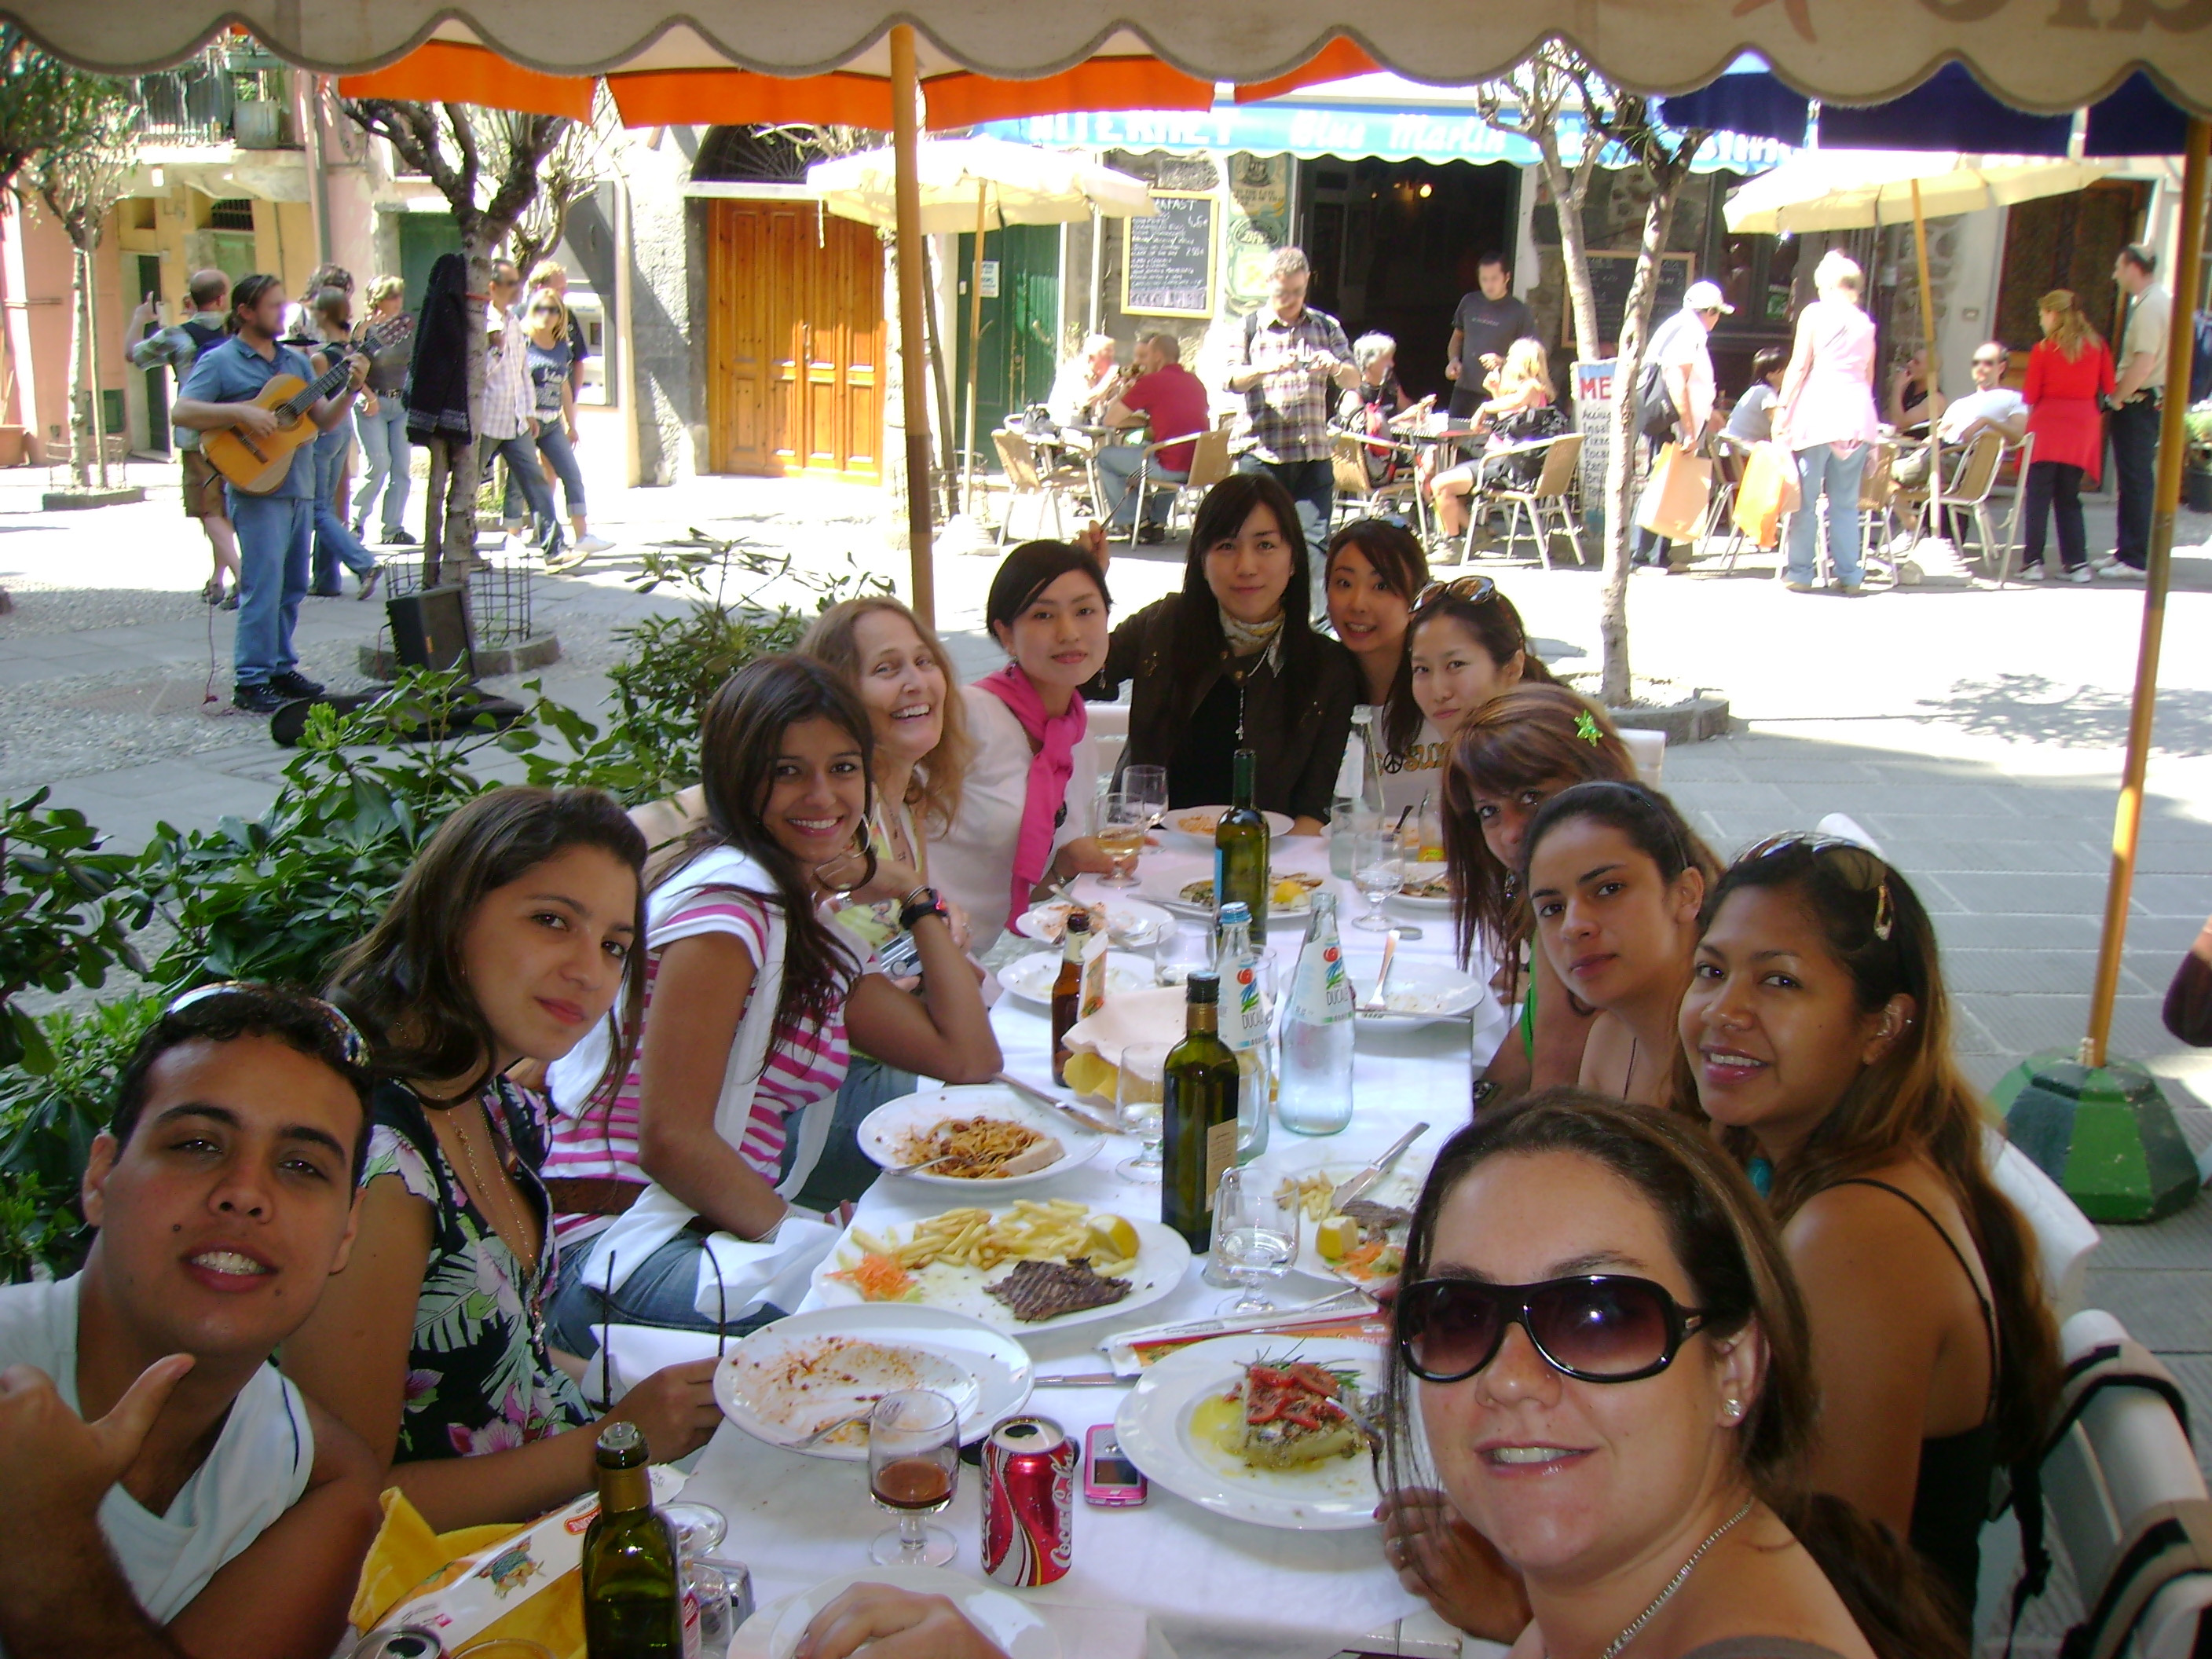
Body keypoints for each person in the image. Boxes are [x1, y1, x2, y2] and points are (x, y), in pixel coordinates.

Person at [804, 1093, 1965, 1659]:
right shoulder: (1637, 1592)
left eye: (1600, 1314)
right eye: (1455, 1314)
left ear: (1736, 1365)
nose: (1510, 1377)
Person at [288, 788, 726, 1530]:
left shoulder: (498, 1107)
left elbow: (505, 1363)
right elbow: (345, 1506)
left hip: (570, 1500)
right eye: (552, 921)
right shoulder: (379, 1166)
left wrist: (647, 1394)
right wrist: (617, 1441)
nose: (589, 972)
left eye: (614, 946)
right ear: (454, 913)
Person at [540, 660, 1001, 1350]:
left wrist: (912, 896)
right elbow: (672, 1141)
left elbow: (967, 1061)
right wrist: (817, 1240)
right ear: (735, 778)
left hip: (706, 1223)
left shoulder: (802, 920)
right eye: (787, 772)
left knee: (977, 1181)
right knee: (919, 1326)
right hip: (622, 1242)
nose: (822, 795)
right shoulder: (730, 914)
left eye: (843, 768)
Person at [1675, 834, 2061, 1622]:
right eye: (1710, 971)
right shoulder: (1781, 1154)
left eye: (1778, 982)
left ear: (1880, 1028)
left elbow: (1832, 1593)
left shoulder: (1854, 1237)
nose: (1722, 1011)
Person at [0, 983, 383, 1659]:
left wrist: (50, 1546)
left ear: (346, 1235)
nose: (244, 1192)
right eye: (198, 1143)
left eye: (301, 1165)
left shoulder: (314, 1479)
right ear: (100, 1178)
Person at [1091, 471, 1358, 833]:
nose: (1246, 567)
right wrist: (1085, 591)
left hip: (1267, 863)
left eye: (1265, 545)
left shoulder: (1328, 667)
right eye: (1226, 546)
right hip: (1150, 853)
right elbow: (1082, 677)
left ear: (1294, 558)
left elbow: (1313, 807)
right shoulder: (1164, 625)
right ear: (1202, 560)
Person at [174, 274, 368, 715]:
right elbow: (182, 411)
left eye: (284, 306)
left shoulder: (296, 364)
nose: (283, 314)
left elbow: (322, 421)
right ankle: (251, 678)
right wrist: (240, 411)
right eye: (273, 307)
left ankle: (280, 667)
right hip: (256, 488)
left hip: (298, 485)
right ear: (244, 311)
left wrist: (352, 389)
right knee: (263, 585)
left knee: (294, 585)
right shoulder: (221, 360)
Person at [1440, 687, 1638, 1103]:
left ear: (1594, 781)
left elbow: (1551, 1091)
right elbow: (1519, 1054)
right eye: (1488, 811)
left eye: (1531, 798)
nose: (1510, 833)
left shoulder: (1594, 927)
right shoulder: (1556, 909)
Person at [936, 540, 1122, 942]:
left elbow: (1021, 885)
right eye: (1043, 615)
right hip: (902, 956)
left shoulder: (1077, 743)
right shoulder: (965, 718)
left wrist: (1068, 863)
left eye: (1085, 611)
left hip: (967, 957)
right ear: (1006, 635)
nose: (1069, 633)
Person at [1522, 779, 1716, 1106]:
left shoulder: (1733, 1052)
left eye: (1608, 889)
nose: (1573, 927)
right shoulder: (1607, 1042)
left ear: (1686, 894)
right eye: (1553, 908)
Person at [1224, 247, 1361, 545]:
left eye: (1297, 292)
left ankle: (1309, 593)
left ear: (1307, 283)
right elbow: (1231, 379)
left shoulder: (1325, 326)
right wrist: (1265, 368)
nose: (1290, 301)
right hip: (1263, 454)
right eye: (1282, 293)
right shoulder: (1248, 328)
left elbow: (1354, 378)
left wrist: (1336, 366)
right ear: (1268, 284)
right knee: (1260, 542)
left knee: (1313, 544)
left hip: (1313, 454)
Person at [128, 269, 241, 610]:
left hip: (196, 436)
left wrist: (139, 319)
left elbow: (133, 354)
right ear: (223, 298)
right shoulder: (238, 331)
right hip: (237, 432)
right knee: (225, 508)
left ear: (192, 299)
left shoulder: (177, 335)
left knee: (208, 510)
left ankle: (242, 576)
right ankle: (217, 579)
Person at [1774, 251, 1879, 595]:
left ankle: (1802, 572)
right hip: (1857, 416)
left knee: (1806, 499)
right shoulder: (1866, 324)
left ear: (1827, 284)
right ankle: (1850, 574)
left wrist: (1783, 410)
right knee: (1845, 503)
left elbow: (1800, 365)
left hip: (1819, 411)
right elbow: (1868, 375)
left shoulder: (1815, 314)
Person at [2018, 288, 2115, 585]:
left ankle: (2033, 561)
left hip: (2048, 427)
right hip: (2081, 427)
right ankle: (2077, 563)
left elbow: (2031, 394)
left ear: (2054, 314)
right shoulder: (2098, 346)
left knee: (2038, 497)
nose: (2041, 319)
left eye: (2042, 313)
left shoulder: (2044, 349)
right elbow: (2109, 386)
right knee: (2069, 497)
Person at [1428, 338, 1566, 541]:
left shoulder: (1531, 387)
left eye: (1510, 357)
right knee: (1449, 473)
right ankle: (1476, 531)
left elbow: (1513, 404)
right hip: (1504, 462)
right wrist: (1494, 391)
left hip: (1508, 467)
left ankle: (1454, 541)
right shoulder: (1536, 389)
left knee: (1440, 484)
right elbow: (1507, 419)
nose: (1507, 361)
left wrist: (1484, 408)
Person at [294, 287, 383, 602]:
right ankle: (327, 578)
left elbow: (314, 398)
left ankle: (363, 563)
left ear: (321, 316)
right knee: (328, 505)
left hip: (325, 431)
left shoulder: (320, 358)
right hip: (343, 430)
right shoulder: (349, 351)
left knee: (317, 508)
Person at [1634, 280, 1730, 571]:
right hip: (1672, 421)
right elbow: (1676, 379)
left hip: (1669, 418)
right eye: (1717, 313)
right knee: (1662, 483)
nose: (1718, 320)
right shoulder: (1691, 331)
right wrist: (1689, 427)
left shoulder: (1676, 325)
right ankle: (1644, 556)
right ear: (1709, 311)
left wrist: (1707, 411)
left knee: (1665, 481)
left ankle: (1655, 555)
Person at [478, 260, 563, 562]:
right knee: (469, 483)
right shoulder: (483, 322)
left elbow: (522, 371)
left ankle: (554, 548)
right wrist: (495, 349)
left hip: (515, 421)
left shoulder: (513, 321)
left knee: (536, 482)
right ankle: (458, 548)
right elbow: (478, 374)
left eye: (518, 282)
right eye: (512, 283)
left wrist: (529, 411)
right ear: (493, 287)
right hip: (487, 419)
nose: (518, 288)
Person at [523, 287, 612, 571]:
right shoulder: (523, 343)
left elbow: (563, 385)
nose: (546, 316)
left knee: (571, 475)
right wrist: (525, 415)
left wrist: (571, 424)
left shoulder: (562, 345)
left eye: (553, 310)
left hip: (550, 422)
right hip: (524, 421)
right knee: (523, 481)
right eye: (540, 309)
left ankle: (582, 535)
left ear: (560, 315)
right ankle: (514, 534)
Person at [1095, 331, 1210, 540]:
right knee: (1158, 449)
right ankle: (1156, 522)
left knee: (1105, 457)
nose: (1141, 363)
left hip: (1169, 468)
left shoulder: (1152, 382)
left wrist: (1127, 390)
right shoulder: (1195, 382)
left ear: (1157, 356)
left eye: (1145, 356)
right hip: (1198, 466)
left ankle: (1133, 522)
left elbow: (1109, 420)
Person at [2097, 244, 2169, 580]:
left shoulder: (2152, 305)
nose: (2115, 275)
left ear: (2133, 267)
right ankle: (2126, 551)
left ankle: (2136, 558)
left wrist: (2115, 397)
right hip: (2140, 402)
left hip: (2138, 403)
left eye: (2118, 267)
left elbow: (2144, 361)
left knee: (2137, 480)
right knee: (2131, 480)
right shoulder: (2151, 302)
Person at [350, 274, 416, 547]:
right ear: (377, 300)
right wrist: (368, 396)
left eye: (399, 295)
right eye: (391, 296)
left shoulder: (406, 328)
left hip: (399, 402)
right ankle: (355, 523)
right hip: (371, 401)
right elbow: (351, 367)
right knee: (378, 465)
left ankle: (393, 528)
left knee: (401, 468)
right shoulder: (364, 329)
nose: (397, 301)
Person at [1444, 251, 1534, 422]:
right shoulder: (1469, 302)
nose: (1489, 284)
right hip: (1465, 388)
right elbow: (1457, 338)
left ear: (1506, 277)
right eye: (1484, 279)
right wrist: (1453, 360)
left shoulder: (1520, 311)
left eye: (1494, 278)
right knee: (1455, 441)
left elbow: (1532, 358)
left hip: (1499, 392)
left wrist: (1502, 361)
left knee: (1490, 445)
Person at [526, 259, 591, 408]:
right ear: (540, 289)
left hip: (559, 405)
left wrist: (573, 400)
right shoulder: (518, 316)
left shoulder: (567, 316)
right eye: (560, 288)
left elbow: (578, 359)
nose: (565, 293)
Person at [1046, 333, 1121, 430]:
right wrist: (1107, 384)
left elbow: (1110, 407)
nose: (1112, 362)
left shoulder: (1101, 375)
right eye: (1108, 357)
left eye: (1113, 357)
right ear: (1091, 358)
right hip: (1066, 429)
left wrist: (1124, 388)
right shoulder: (1073, 370)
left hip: (1093, 427)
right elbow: (1083, 402)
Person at [1722, 346, 1788, 446]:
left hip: (1732, 451)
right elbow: (1780, 425)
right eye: (1785, 369)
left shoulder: (1756, 390)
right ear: (1770, 375)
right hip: (1741, 453)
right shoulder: (1766, 393)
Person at [1884, 350, 1946, 434]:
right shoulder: (1908, 387)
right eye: (1911, 360)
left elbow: (1898, 423)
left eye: (1916, 362)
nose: (1909, 364)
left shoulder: (1936, 399)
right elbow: (1887, 417)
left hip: (1918, 445)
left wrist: (1897, 387)